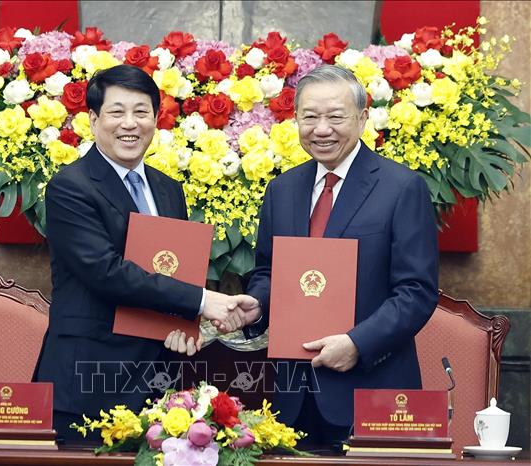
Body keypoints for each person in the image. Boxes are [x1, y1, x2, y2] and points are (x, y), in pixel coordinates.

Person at [175, 65, 439, 448]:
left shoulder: (402, 188)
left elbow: (416, 291)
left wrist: (357, 344)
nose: (321, 129)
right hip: (293, 396)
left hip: (373, 391)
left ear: (363, 118)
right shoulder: (282, 190)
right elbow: (269, 270)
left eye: (336, 117)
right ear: (295, 119)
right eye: (310, 117)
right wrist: (257, 304)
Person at [33, 65, 239, 442]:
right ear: (93, 120)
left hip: (158, 386)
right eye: (117, 112)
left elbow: (173, 269)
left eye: (141, 112)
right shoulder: (70, 187)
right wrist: (202, 301)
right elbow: (106, 272)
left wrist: (182, 326)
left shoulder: (168, 189)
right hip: (89, 382)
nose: (130, 123)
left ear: (156, 119)